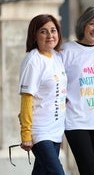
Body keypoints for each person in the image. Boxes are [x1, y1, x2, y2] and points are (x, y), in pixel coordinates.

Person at [60, 6, 94, 175]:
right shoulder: (66, 51)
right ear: (84, 24)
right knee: (89, 170)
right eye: (92, 23)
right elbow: (55, 81)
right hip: (76, 120)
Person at [18, 14, 67, 175]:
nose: (50, 35)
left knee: (41, 172)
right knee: (57, 173)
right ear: (35, 35)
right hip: (40, 131)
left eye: (53, 30)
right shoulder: (33, 61)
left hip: (56, 131)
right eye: (43, 31)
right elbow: (26, 99)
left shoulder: (56, 57)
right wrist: (26, 133)